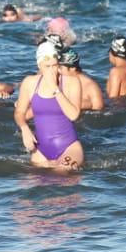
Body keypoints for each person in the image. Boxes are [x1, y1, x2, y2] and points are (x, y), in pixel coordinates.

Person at [14, 41, 84, 169]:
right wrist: (24, 129)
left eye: (55, 65)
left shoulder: (71, 82)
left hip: (69, 147)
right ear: (39, 65)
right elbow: (19, 113)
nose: (52, 70)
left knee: (61, 174)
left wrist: (56, 89)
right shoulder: (30, 83)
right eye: (47, 66)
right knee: (29, 184)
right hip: (41, 151)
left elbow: (74, 115)